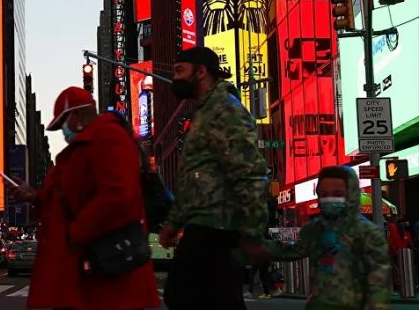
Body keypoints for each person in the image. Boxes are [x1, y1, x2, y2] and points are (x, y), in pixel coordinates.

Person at [8, 87, 160, 310]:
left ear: (76, 116)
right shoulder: (87, 146)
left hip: (106, 270)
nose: (63, 132)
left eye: (62, 124)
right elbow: (67, 198)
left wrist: (74, 233)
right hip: (90, 269)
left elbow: (118, 196)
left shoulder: (108, 137)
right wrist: (33, 196)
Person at [159, 47, 269, 310]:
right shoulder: (205, 112)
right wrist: (174, 221)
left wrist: (253, 232)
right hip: (205, 224)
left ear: (201, 72)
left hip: (219, 226)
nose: (175, 79)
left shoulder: (225, 110)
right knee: (203, 298)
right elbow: (193, 176)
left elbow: (250, 172)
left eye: (179, 71)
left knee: (189, 296)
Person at [266, 166, 391, 309]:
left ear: (351, 194)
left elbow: (379, 286)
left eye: (337, 194)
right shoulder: (314, 230)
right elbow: (290, 251)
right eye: (324, 194)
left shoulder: (368, 233)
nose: (329, 199)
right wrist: (256, 247)